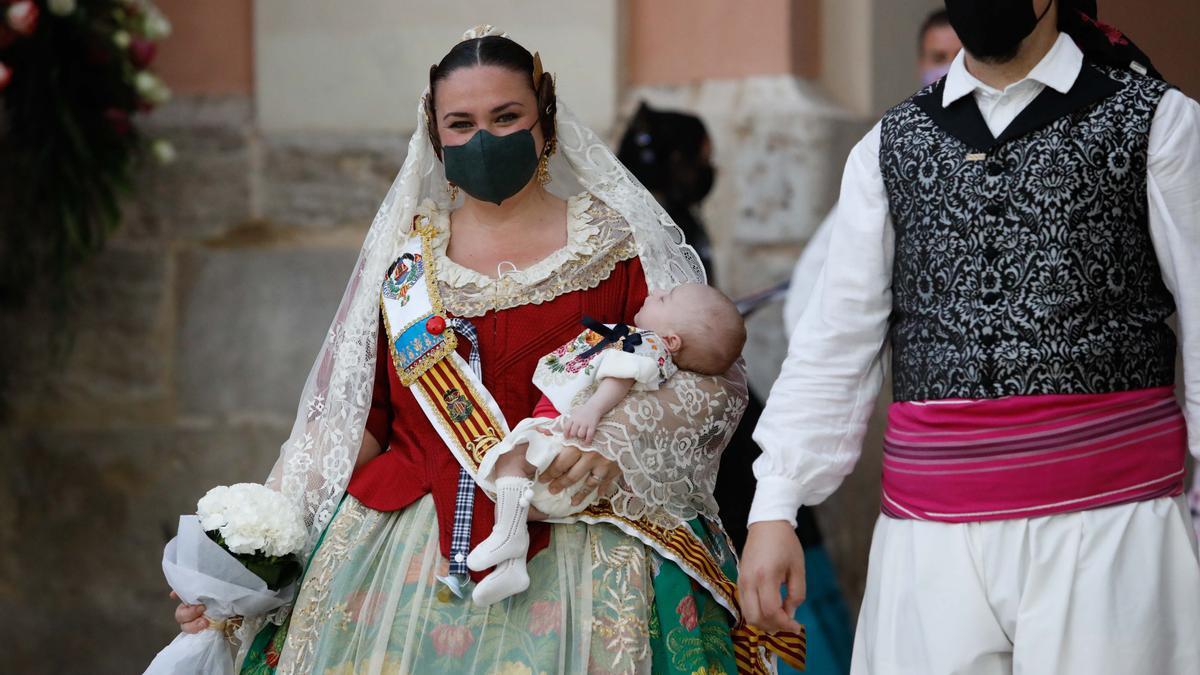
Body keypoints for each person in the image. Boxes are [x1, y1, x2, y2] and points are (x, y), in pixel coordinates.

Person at [171, 26, 803, 675]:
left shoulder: (617, 246)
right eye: (462, 123)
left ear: (544, 121)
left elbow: (709, 381)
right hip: (398, 566)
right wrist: (248, 557)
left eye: (506, 117)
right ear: (436, 136)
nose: (484, 139)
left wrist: (616, 442)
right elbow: (346, 427)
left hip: (586, 541)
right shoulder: (403, 267)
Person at [743, 1, 1200, 674]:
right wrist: (775, 502)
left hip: (1111, 528)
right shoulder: (890, 145)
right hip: (930, 543)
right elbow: (835, 341)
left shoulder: (1158, 120)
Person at [619, 106, 854, 674]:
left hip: (723, 412)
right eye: (702, 159)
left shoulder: (679, 221)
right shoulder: (644, 233)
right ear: (678, 162)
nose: (709, 170)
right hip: (690, 432)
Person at [469, 283, 746, 606]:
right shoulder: (653, 348)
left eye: (664, 299)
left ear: (671, 340)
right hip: (569, 489)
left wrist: (592, 411)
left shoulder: (643, 342)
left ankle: (508, 540)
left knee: (511, 459)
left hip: (569, 445)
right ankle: (511, 565)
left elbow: (619, 377)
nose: (654, 293)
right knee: (523, 503)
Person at [783, 9, 962, 331]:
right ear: (921, 63)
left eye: (960, 56)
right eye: (939, 57)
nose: (948, 67)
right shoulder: (896, 140)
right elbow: (827, 268)